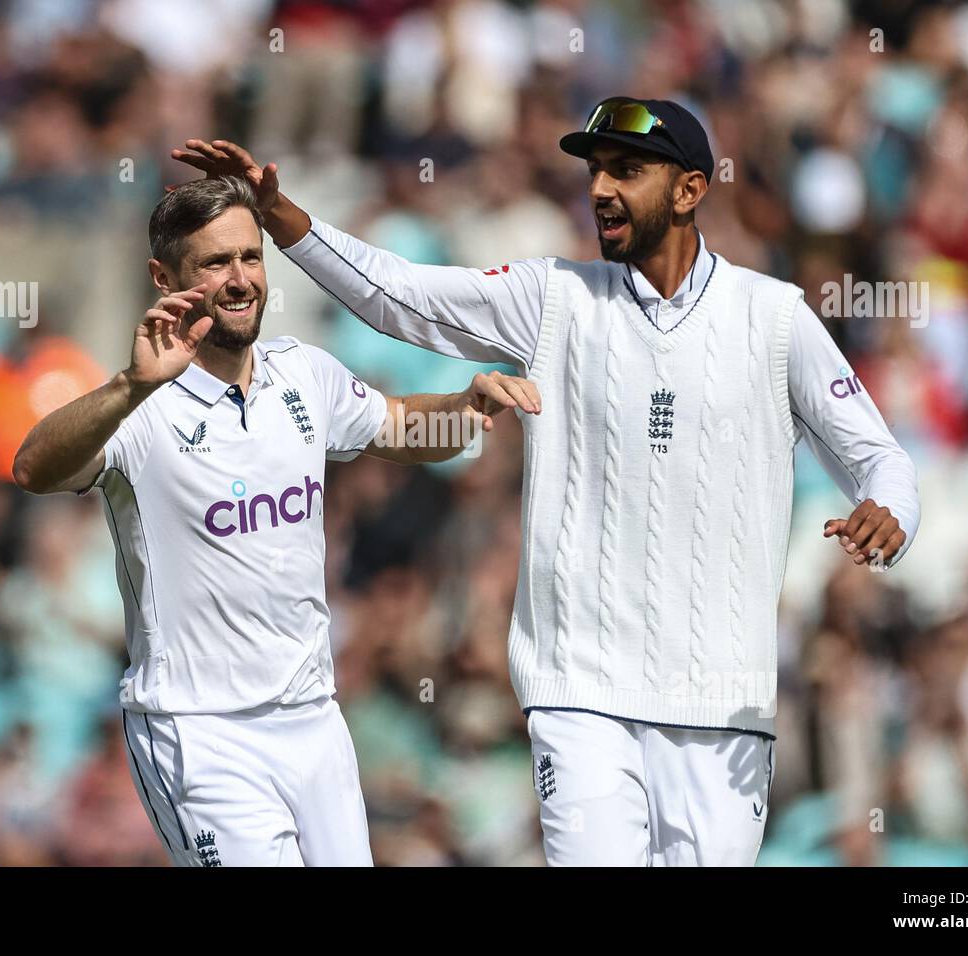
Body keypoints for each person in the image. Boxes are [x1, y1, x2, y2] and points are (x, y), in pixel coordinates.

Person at [173, 96, 921, 866]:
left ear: (691, 190)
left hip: (724, 703)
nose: (600, 189)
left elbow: (881, 459)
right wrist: (283, 216)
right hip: (580, 692)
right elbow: (400, 297)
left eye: (628, 170)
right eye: (596, 171)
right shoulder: (553, 298)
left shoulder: (775, 317)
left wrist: (890, 511)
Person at [12, 175, 539, 866]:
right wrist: (128, 385)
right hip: (200, 732)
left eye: (250, 257)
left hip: (314, 720)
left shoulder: (303, 375)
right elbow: (32, 468)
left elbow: (401, 428)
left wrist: (467, 405)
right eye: (213, 263)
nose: (239, 280)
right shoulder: (141, 408)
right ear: (162, 276)